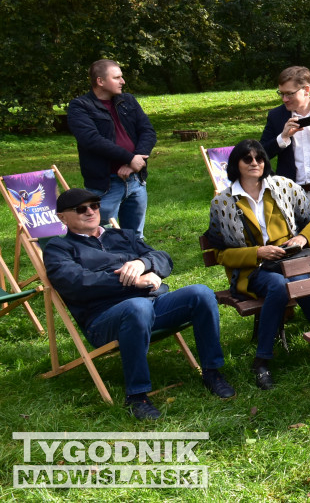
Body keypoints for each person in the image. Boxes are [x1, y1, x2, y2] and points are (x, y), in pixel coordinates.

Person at [44, 188, 235, 420]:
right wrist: (136, 281)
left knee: (202, 293)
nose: (90, 211)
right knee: (137, 307)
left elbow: (164, 259)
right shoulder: (59, 248)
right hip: (104, 318)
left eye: (94, 205)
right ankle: (137, 396)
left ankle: (212, 372)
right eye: (80, 209)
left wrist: (143, 262)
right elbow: (77, 283)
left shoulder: (121, 235)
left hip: (153, 304)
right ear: (62, 217)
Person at [204, 140, 310, 390]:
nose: (254, 163)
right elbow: (220, 253)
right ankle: (262, 361)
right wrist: (257, 253)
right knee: (279, 285)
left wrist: (303, 238)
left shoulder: (283, 187)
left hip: (290, 261)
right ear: (236, 165)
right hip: (252, 271)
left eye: (259, 158)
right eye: (247, 159)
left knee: (300, 280)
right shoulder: (223, 203)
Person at [67, 59, 156, 238]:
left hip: (135, 179)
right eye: (117, 77)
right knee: (103, 237)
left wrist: (134, 162)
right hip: (105, 185)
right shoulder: (80, 106)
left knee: (135, 235)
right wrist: (129, 158)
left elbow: (147, 131)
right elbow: (91, 140)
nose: (123, 81)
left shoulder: (127, 100)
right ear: (100, 81)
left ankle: (139, 265)